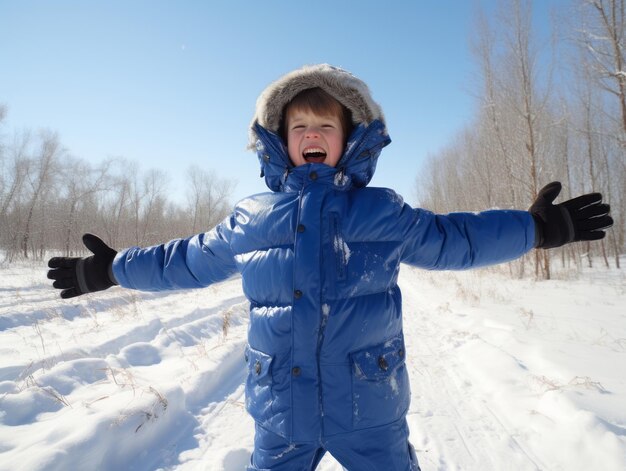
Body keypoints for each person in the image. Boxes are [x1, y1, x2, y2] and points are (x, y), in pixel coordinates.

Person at [47, 64, 613, 471]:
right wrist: (113, 269)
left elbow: (454, 238)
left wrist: (537, 228)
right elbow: (186, 260)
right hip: (279, 410)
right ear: (278, 142)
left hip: (370, 406)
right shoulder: (251, 219)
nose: (312, 135)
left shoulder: (380, 211)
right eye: (299, 127)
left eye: (325, 127)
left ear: (350, 140)